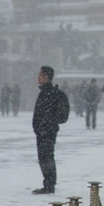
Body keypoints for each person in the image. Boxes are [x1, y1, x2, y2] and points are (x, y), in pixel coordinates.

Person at [32, 66, 69, 194]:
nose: (38, 77)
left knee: (46, 158)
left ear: (46, 77)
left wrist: (47, 124)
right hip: (44, 131)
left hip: (47, 131)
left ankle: (49, 184)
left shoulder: (50, 94)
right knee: (45, 158)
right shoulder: (47, 93)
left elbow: (62, 116)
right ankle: (48, 183)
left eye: (40, 75)